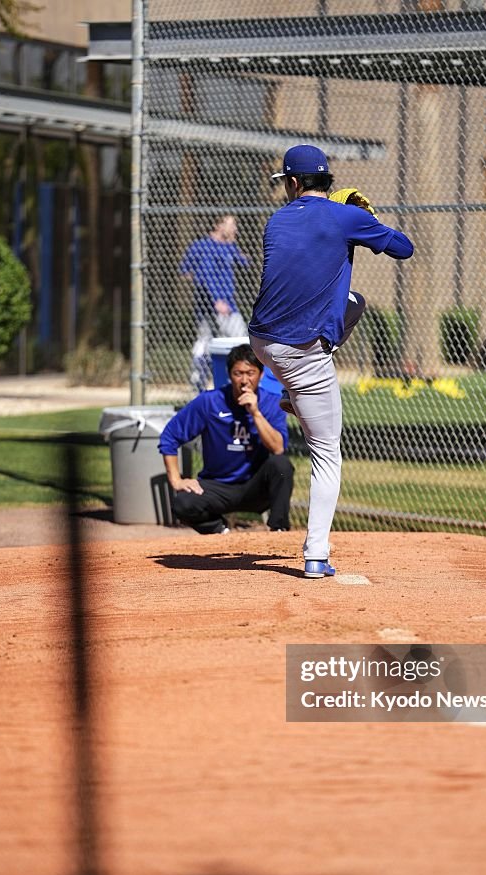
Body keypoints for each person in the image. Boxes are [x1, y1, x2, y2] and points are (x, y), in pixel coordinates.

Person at [248, 144, 414, 579]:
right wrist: (368, 222)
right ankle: (316, 555)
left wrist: (349, 223)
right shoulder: (347, 217)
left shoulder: (276, 220)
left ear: (295, 183)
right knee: (326, 454)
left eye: (286, 182)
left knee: (353, 302)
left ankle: (294, 394)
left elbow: (306, 256)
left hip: (262, 342)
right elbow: (405, 249)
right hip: (302, 352)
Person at [158, 344, 293, 534]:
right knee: (183, 503)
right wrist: (176, 480)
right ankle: (220, 531)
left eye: (250, 373)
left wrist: (255, 413)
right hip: (218, 486)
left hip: (254, 486)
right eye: (238, 373)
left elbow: (278, 448)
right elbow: (169, 436)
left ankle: (278, 530)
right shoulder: (209, 401)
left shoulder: (271, 402)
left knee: (281, 466)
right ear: (229, 375)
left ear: (261, 375)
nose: (245, 380)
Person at [180, 215, 250, 390]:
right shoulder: (203, 247)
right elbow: (193, 273)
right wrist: (214, 300)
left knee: (225, 342)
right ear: (218, 225)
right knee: (221, 341)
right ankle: (199, 382)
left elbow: (245, 263)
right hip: (213, 305)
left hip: (228, 303)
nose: (235, 228)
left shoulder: (228, 247)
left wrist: (233, 243)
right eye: (231, 225)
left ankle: (223, 382)